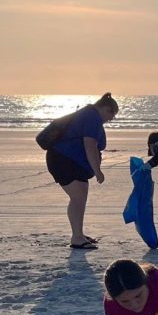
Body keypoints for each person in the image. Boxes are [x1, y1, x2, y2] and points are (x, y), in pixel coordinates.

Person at [46, 93, 119, 250]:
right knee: (77, 197)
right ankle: (77, 238)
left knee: (81, 197)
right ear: (106, 108)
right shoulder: (92, 116)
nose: (111, 119)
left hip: (72, 161)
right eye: (112, 114)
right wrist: (97, 171)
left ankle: (78, 233)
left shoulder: (90, 115)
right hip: (63, 159)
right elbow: (90, 145)